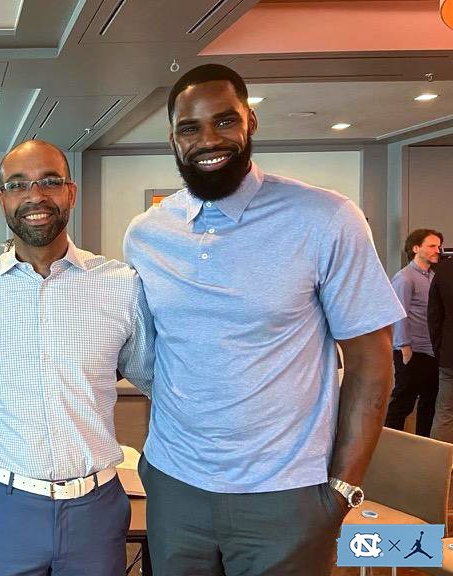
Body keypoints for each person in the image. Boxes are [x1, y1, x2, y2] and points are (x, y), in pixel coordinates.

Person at [123, 63, 405, 575]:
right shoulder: (145, 235)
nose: (208, 139)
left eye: (224, 121)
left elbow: (371, 363)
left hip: (286, 495)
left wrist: (341, 489)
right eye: (190, 128)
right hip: (174, 486)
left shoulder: (326, 218)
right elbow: (157, 356)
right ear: (172, 139)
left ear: (250, 121)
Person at [0, 139, 154, 576]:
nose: (35, 196)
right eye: (19, 185)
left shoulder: (120, 286)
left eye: (49, 182)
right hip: (4, 509)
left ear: (71, 191)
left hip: (96, 511)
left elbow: (158, 382)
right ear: (3, 198)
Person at [385, 229, 443, 436]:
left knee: (430, 402)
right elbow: (399, 314)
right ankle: (391, 446)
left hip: (432, 351)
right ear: (415, 248)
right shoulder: (404, 278)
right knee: (403, 401)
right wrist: (404, 347)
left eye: (439, 245)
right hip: (412, 351)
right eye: (432, 246)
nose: (438, 250)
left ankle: (423, 446)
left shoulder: (434, 276)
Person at [429, 254, 453, 441]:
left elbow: (434, 318)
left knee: (445, 413)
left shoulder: (443, 271)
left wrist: (440, 351)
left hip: (449, 356)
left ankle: (441, 467)